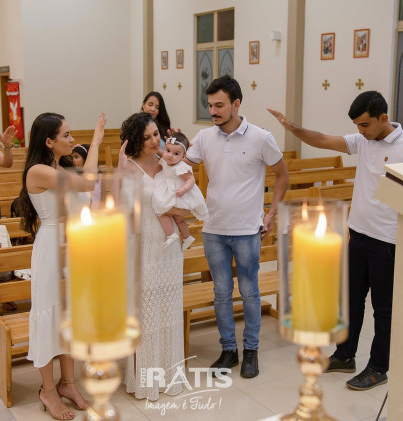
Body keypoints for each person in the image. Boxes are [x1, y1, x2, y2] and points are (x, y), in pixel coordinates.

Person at [267, 90, 403, 391]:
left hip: (387, 239)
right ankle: (345, 356)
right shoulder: (363, 140)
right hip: (358, 233)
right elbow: (322, 139)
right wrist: (292, 128)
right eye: (357, 126)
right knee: (350, 301)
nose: (360, 131)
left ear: (383, 118)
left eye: (365, 124)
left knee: (383, 310)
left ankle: (378, 367)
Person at [184, 75, 288, 379]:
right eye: (210, 105)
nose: (212, 111)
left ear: (236, 104)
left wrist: (272, 212)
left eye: (219, 105)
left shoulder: (261, 137)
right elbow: (182, 167)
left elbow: (282, 175)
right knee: (221, 291)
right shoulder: (204, 137)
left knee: (249, 290)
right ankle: (228, 350)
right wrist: (170, 148)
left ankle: (251, 350)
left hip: (247, 229)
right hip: (213, 228)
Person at [18, 112, 106, 420]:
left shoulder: (59, 167)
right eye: (66, 135)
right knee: (48, 316)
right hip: (51, 249)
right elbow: (87, 182)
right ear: (48, 141)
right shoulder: (39, 171)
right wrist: (96, 140)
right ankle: (48, 390)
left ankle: (68, 383)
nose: (72, 140)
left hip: (73, 247)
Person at [119, 112, 184, 401]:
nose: (154, 141)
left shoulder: (168, 163)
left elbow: (186, 199)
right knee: (144, 312)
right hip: (142, 245)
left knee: (168, 309)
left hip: (168, 245)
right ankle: (144, 379)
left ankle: (168, 375)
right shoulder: (129, 167)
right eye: (146, 137)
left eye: (156, 134)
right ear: (136, 140)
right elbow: (121, 211)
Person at [152, 132, 208, 251]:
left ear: (184, 156)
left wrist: (184, 189)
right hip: (168, 189)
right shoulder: (165, 158)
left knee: (162, 212)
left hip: (178, 192)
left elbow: (190, 179)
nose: (170, 155)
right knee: (178, 219)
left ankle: (171, 234)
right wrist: (156, 149)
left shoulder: (180, 166)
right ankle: (187, 237)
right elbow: (160, 153)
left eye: (176, 153)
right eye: (168, 150)